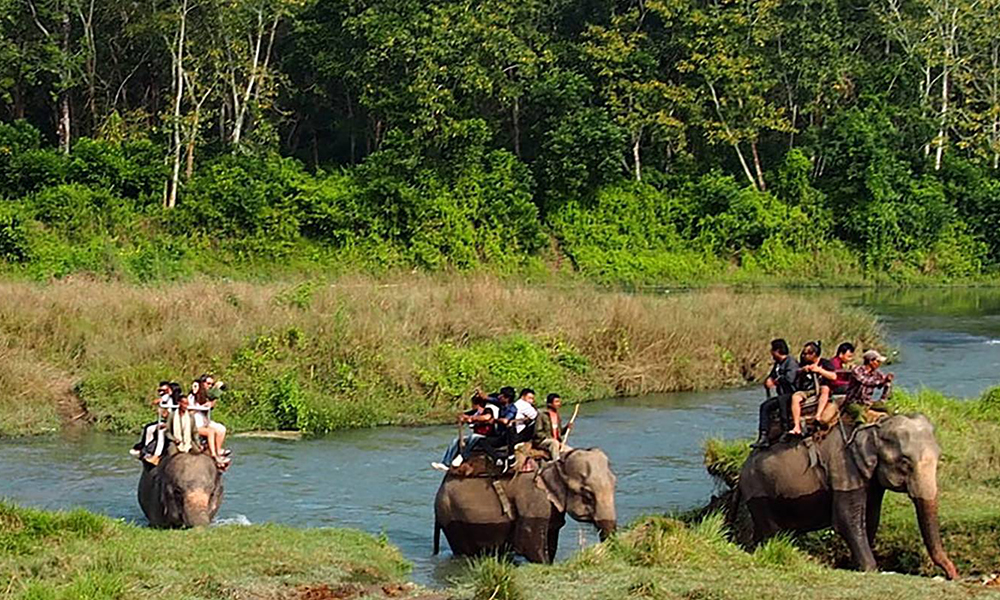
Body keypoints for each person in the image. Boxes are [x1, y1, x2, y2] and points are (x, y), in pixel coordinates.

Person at [431, 391, 499, 471]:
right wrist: (463, 418)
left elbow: (487, 417)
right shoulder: (474, 412)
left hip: (486, 436)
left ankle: (463, 456)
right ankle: (446, 463)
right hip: (475, 437)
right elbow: (462, 415)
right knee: (456, 440)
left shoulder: (487, 410)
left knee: (474, 437)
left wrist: (472, 418)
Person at [753, 339, 799, 448]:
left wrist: (775, 381)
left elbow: (790, 379)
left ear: (777, 351)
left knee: (782, 401)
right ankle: (763, 436)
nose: (771, 353)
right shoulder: (778, 364)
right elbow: (772, 375)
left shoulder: (791, 362)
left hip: (791, 393)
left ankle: (785, 428)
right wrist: (768, 380)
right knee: (765, 406)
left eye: (772, 350)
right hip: (781, 395)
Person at [786, 342, 836, 435]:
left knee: (825, 389)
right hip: (806, 390)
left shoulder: (825, 363)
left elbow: (833, 376)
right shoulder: (803, 363)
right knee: (795, 397)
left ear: (814, 354)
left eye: (808, 354)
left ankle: (818, 415)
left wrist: (819, 370)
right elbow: (796, 372)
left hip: (820, 388)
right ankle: (796, 426)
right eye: (804, 353)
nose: (805, 356)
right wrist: (803, 370)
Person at [843, 350, 894, 424]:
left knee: (888, 409)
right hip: (853, 402)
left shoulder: (877, 374)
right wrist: (882, 381)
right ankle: (858, 429)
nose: (879, 364)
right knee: (860, 413)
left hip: (867, 402)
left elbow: (884, 385)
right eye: (877, 361)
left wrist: (887, 382)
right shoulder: (857, 370)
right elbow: (865, 382)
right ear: (870, 361)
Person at [188, 378, 229, 467]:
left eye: (211, 384)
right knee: (211, 431)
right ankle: (213, 454)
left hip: (204, 421)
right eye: (208, 384)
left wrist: (210, 402)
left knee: (221, 429)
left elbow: (211, 404)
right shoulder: (190, 397)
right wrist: (199, 407)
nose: (209, 386)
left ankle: (218, 450)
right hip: (194, 423)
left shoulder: (203, 397)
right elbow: (189, 410)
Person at [131, 382, 173, 464]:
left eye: (163, 390)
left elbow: (164, 410)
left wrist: (162, 409)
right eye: (160, 390)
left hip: (169, 421)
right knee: (148, 427)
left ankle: (152, 452)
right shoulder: (166, 397)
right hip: (165, 420)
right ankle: (145, 447)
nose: (161, 392)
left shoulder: (169, 398)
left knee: (155, 429)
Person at [534, 393, 573, 460]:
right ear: (550, 404)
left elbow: (560, 432)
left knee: (571, 450)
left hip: (557, 442)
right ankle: (556, 462)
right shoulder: (542, 415)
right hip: (543, 441)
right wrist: (551, 438)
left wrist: (567, 428)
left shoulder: (557, 415)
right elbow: (538, 432)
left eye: (559, 402)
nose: (559, 404)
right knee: (554, 443)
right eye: (556, 402)